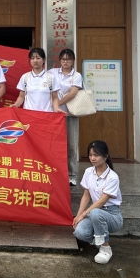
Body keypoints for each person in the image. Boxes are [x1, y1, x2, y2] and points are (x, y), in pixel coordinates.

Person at [73, 140, 123, 264]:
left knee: (95, 212)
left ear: (105, 156)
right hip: (95, 213)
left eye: (96, 155)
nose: (93, 158)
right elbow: (86, 195)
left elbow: (101, 202)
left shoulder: (112, 177)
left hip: (112, 215)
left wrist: (84, 214)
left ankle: (105, 248)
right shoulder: (88, 172)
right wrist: (78, 216)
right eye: (90, 155)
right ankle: (99, 239)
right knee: (79, 232)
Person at [50, 49, 83, 186]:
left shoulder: (76, 75)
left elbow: (72, 93)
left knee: (71, 145)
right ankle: (56, 174)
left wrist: (57, 104)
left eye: (68, 59)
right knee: (54, 144)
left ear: (73, 61)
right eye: (63, 59)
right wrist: (54, 107)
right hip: (53, 115)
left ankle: (72, 175)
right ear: (59, 60)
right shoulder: (52, 73)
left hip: (70, 114)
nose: (66, 62)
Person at [11, 47, 63, 113]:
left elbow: (55, 98)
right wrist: (16, 105)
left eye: (38, 58)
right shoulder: (25, 77)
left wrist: (56, 108)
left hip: (46, 115)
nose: (35, 61)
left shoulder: (51, 77)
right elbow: (21, 97)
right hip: (29, 114)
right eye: (32, 58)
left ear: (43, 60)